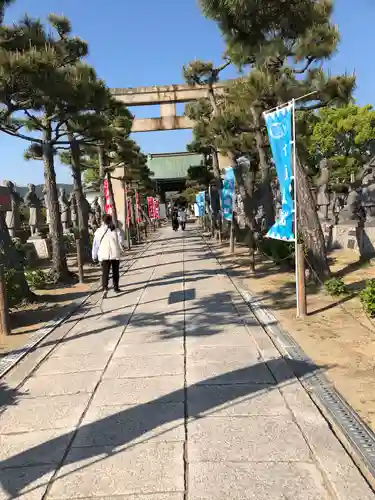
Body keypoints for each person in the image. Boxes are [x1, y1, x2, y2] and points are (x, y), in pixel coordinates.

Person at [92, 214, 124, 294]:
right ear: (110, 220)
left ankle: (105, 288)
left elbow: (95, 245)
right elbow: (121, 241)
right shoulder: (116, 230)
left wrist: (94, 255)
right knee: (115, 271)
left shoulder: (98, 231)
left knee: (105, 272)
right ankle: (116, 287)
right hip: (115, 253)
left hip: (104, 254)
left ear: (102, 221)